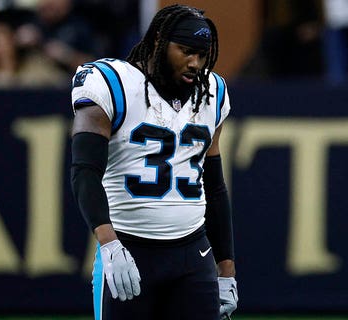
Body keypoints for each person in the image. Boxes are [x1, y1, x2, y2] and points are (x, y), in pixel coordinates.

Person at [69, 4, 238, 320]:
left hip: (193, 254)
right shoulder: (113, 83)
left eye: (202, 55)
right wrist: (109, 245)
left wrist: (226, 269)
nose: (195, 63)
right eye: (186, 51)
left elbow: (214, 187)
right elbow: (85, 170)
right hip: (130, 249)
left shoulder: (212, 92)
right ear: (159, 41)